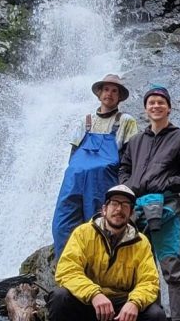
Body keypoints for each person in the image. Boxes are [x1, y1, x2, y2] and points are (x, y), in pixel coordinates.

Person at [119, 85, 180, 321]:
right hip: (136, 211)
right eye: (151, 102)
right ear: (145, 109)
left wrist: (165, 184)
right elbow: (123, 168)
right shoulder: (135, 141)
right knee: (141, 271)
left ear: (169, 108)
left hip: (164, 210)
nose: (156, 106)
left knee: (173, 269)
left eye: (160, 102)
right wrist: (129, 185)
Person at [48, 184, 165, 321]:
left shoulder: (141, 242)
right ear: (104, 209)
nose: (119, 209)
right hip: (88, 301)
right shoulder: (83, 233)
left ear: (131, 213)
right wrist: (94, 294)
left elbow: (149, 281)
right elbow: (67, 271)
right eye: (114, 203)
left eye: (125, 205)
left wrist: (135, 302)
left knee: (156, 314)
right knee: (59, 297)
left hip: (123, 306)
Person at [52, 74, 139, 258]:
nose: (110, 94)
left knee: (98, 228)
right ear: (99, 93)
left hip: (102, 184)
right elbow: (74, 153)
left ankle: (97, 277)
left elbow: (130, 157)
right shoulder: (86, 121)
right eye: (106, 89)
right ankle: (66, 275)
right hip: (74, 181)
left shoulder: (125, 121)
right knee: (62, 225)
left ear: (119, 97)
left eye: (114, 91)